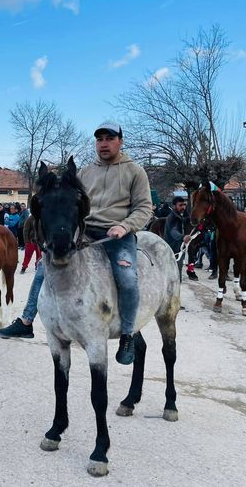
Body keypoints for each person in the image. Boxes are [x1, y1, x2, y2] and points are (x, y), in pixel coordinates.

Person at [77, 122, 153, 364]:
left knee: (128, 278)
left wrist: (124, 226)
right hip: (86, 233)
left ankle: (128, 334)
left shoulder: (135, 171)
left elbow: (144, 208)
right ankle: (26, 321)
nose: (103, 143)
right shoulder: (84, 172)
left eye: (109, 138)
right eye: (99, 139)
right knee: (47, 266)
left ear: (120, 141)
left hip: (117, 234)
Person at [164, 196, 197, 281]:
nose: (183, 207)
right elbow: (173, 231)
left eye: (184, 205)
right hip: (172, 248)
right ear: (174, 206)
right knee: (174, 272)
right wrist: (183, 237)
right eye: (180, 205)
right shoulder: (172, 217)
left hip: (180, 248)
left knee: (178, 270)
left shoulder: (183, 216)